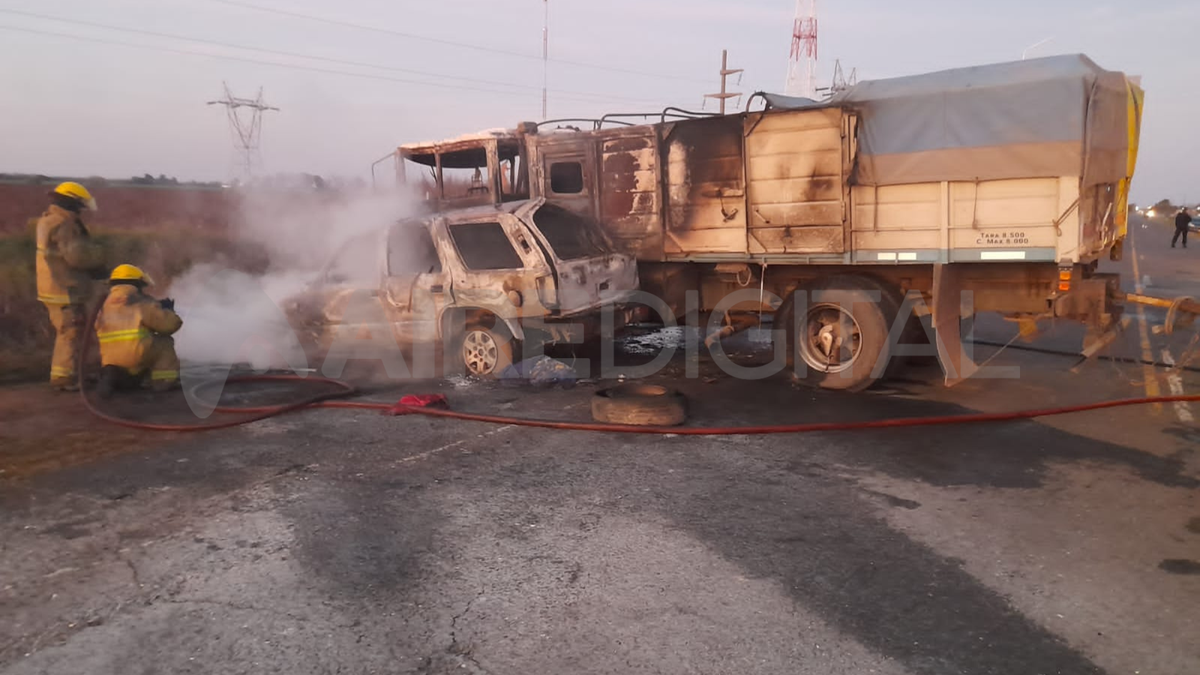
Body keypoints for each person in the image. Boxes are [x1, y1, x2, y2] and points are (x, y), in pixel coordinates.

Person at [35, 182, 104, 391]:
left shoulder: (48, 219)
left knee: (72, 331)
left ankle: (75, 373)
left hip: (52, 286)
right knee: (70, 332)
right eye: (80, 205)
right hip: (65, 288)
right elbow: (77, 256)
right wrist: (99, 262)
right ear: (72, 202)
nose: (81, 210)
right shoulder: (65, 225)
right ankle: (63, 379)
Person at [94, 264, 183, 397]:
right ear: (136, 283)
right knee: (164, 342)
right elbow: (169, 325)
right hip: (135, 354)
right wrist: (168, 311)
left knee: (135, 355)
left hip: (109, 359)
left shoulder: (104, 303)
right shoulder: (140, 301)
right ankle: (163, 380)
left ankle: (115, 374)